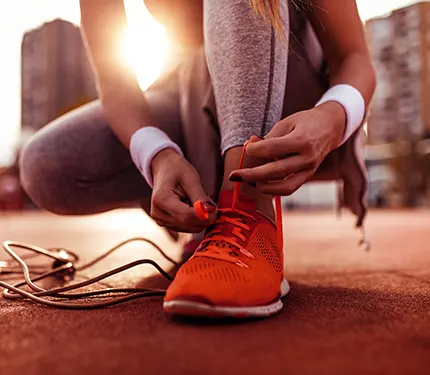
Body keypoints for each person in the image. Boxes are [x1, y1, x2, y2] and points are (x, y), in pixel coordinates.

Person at [19, 0, 376, 318]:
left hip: (298, 85)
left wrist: (333, 118)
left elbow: (354, 57)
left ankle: (250, 214)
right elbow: (115, 82)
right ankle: (211, 208)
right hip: (190, 84)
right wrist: (157, 154)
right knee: (48, 165)